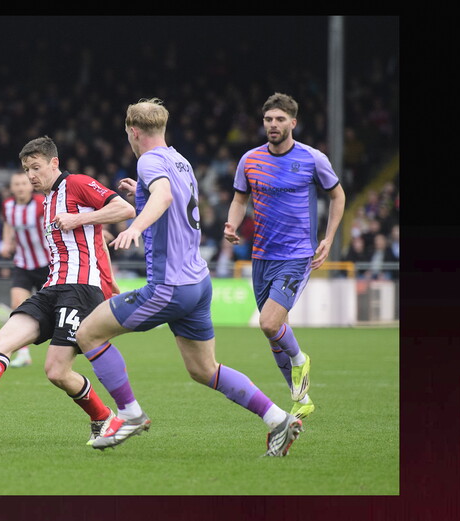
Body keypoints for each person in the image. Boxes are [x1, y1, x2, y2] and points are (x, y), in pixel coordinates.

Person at [71, 98, 303, 456]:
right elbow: (169, 196)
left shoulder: (148, 160)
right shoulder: (179, 160)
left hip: (169, 287)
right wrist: (141, 193)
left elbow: (163, 197)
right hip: (198, 283)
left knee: (88, 333)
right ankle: (278, 420)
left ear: (133, 132)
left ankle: (129, 413)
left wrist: (136, 224)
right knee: (203, 368)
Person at [0, 135, 136, 442]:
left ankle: (105, 417)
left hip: (79, 289)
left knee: (56, 371)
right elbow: (95, 238)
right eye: (26, 170)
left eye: (35, 168)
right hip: (52, 287)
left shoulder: (76, 183)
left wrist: (79, 218)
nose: (31, 176)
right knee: (0, 341)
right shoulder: (47, 201)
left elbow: (124, 210)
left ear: (54, 163)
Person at [224, 92, 346, 422]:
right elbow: (239, 198)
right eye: (268, 120)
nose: (273, 125)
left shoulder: (312, 159)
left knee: (268, 323)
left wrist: (329, 237)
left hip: (296, 255)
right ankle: (302, 399)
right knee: (275, 334)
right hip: (261, 256)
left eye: (280, 119)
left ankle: (300, 358)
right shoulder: (250, 159)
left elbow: (337, 195)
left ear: (293, 122)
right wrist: (232, 224)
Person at [0, 171, 51, 368]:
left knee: (55, 308)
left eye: (23, 183)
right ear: (12, 188)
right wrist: (6, 243)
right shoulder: (8, 206)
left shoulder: (40, 203)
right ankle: (23, 353)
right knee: (18, 304)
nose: (20, 187)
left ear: (30, 185)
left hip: (46, 262)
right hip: (22, 263)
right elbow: (8, 225)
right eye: (17, 184)